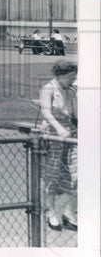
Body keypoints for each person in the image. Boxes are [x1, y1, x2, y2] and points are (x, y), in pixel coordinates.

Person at [38, 60, 77, 231]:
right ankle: (51, 212)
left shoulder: (71, 90)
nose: (73, 80)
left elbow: (75, 113)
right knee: (53, 176)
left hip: (71, 133)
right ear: (60, 75)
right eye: (70, 77)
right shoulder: (49, 88)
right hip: (54, 134)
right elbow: (46, 111)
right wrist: (59, 128)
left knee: (76, 175)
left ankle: (69, 212)